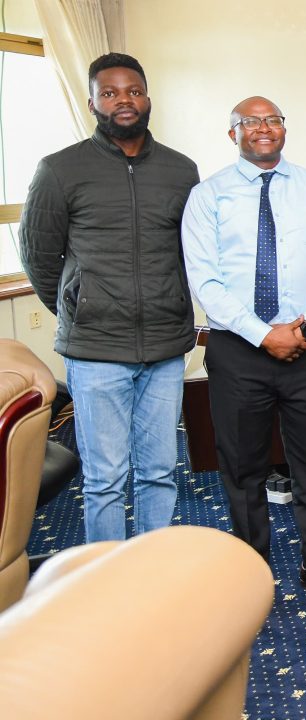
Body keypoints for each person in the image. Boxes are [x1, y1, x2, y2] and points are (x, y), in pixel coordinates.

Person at [182, 96, 306, 602]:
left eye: (273, 120)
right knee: (242, 465)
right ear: (231, 132)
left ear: (284, 128)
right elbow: (205, 280)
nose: (263, 128)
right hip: (238, 349)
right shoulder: (207, 196)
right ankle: (251, 568)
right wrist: (263, 334)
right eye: (251, 122)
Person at [19, 53, 198, 542]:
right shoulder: (60, 169)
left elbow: (191, 252)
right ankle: (105, 579)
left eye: (133, 91)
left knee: (161, 472)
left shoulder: (181, 170)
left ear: (147, 98)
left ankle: (151, 565)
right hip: (96, 351)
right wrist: (83, 308)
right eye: (111, 92)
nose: (125, 100)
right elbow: (38, 257)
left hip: (164, 346)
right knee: (104, 480)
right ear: (94, 101)